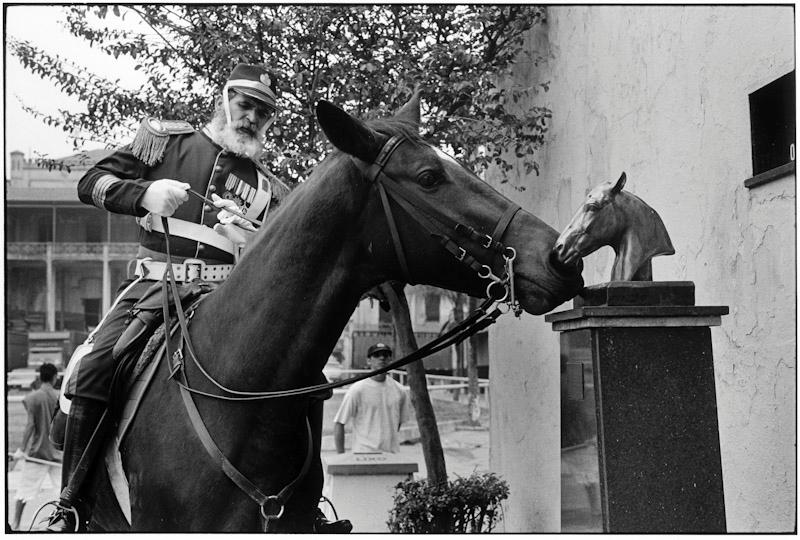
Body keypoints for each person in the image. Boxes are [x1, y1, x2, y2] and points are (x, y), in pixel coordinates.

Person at [45, 63, 350, 534]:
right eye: (245, 105)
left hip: (230, 300)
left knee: (306, 380)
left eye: (264, 113)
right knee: (94, 366)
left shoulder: (269, 187)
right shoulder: (166, 142)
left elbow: (279, 258)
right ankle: (71, 505)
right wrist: (144, 192)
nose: (252, 118)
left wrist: (253, 235)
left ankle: (306, 507)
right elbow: (91, 183)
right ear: (224, 100)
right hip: (156, 289)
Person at [334, 344, 414, 454]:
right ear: (368, 361)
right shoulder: (357, 390)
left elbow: (398, 423)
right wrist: (341, 457)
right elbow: (339, 423)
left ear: (390, 360)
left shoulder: (400, 390)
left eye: (386, 355)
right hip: (363, 454)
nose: (382, 358)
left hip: (391, 456)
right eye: (377, 355)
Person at [12, 363, 62, 530]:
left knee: (23, 493)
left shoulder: (32, 398)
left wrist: (21, 449)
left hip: (37, 454)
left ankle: (16, 525)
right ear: (55, 377)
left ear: (40, 377)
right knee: (64, 495)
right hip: (57, 454)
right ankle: (62, 525)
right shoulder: (60, 397)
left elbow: (30, 426)